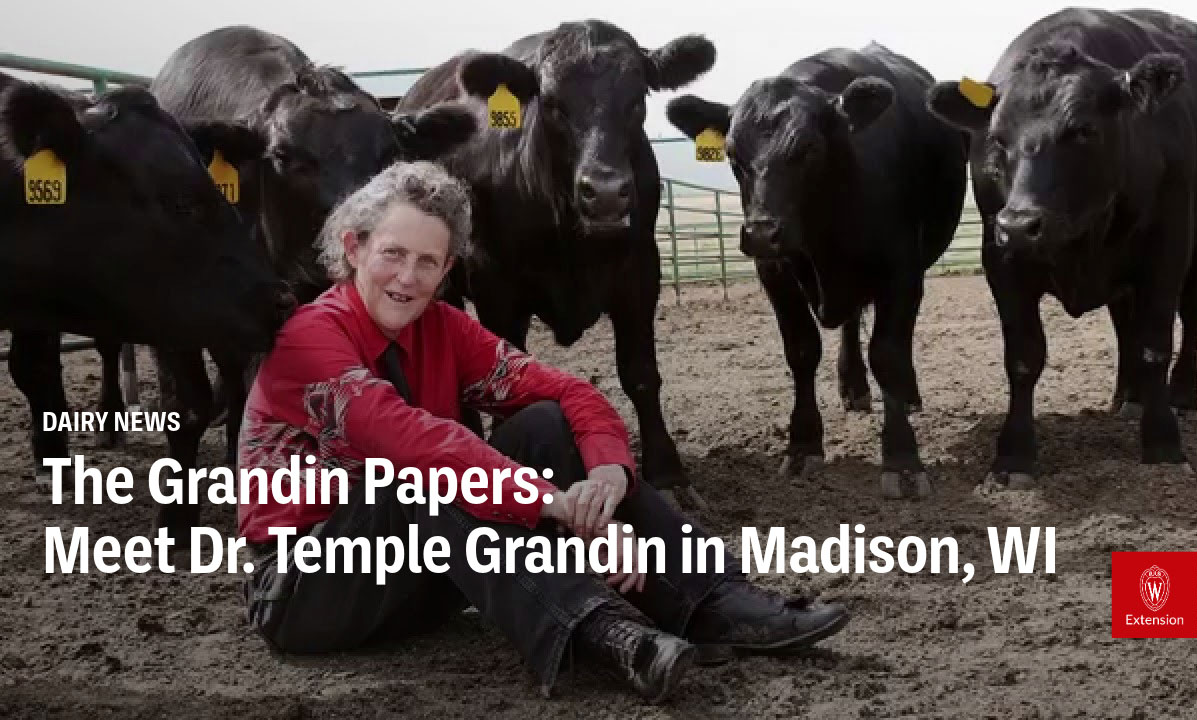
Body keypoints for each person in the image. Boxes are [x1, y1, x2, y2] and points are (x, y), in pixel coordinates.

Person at [236, 161, 850, 703]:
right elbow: (411, 441)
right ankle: (609, 633)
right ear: (354, 247)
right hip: (306, 588)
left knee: (546, 423)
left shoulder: (444, 328)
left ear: (448, 268)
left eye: (428, 261)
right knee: (411, 479)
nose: (408, 276)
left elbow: (570, 393)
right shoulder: (307, 337)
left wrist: (608, 477)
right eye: (393, 253)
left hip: (425, 574)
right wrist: (561, 509)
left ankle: (710, 600)